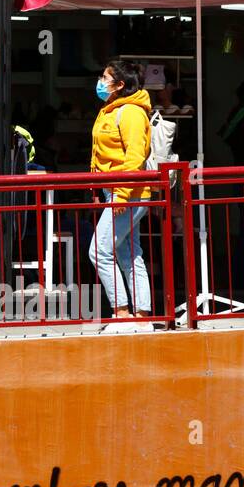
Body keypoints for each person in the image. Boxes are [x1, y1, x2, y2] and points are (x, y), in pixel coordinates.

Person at [88, 58, 154, 332]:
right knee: (129, 252)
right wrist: (97, 188)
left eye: (105, 78)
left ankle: (122, 311)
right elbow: (101, 153)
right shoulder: (110, 109)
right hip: (115, 191)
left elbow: (134, 157)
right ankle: (141, 314)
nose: (101, 82)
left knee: (99, 251)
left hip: (128, 192)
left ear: (120, 85)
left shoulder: (130, 113)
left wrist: (122, 195)